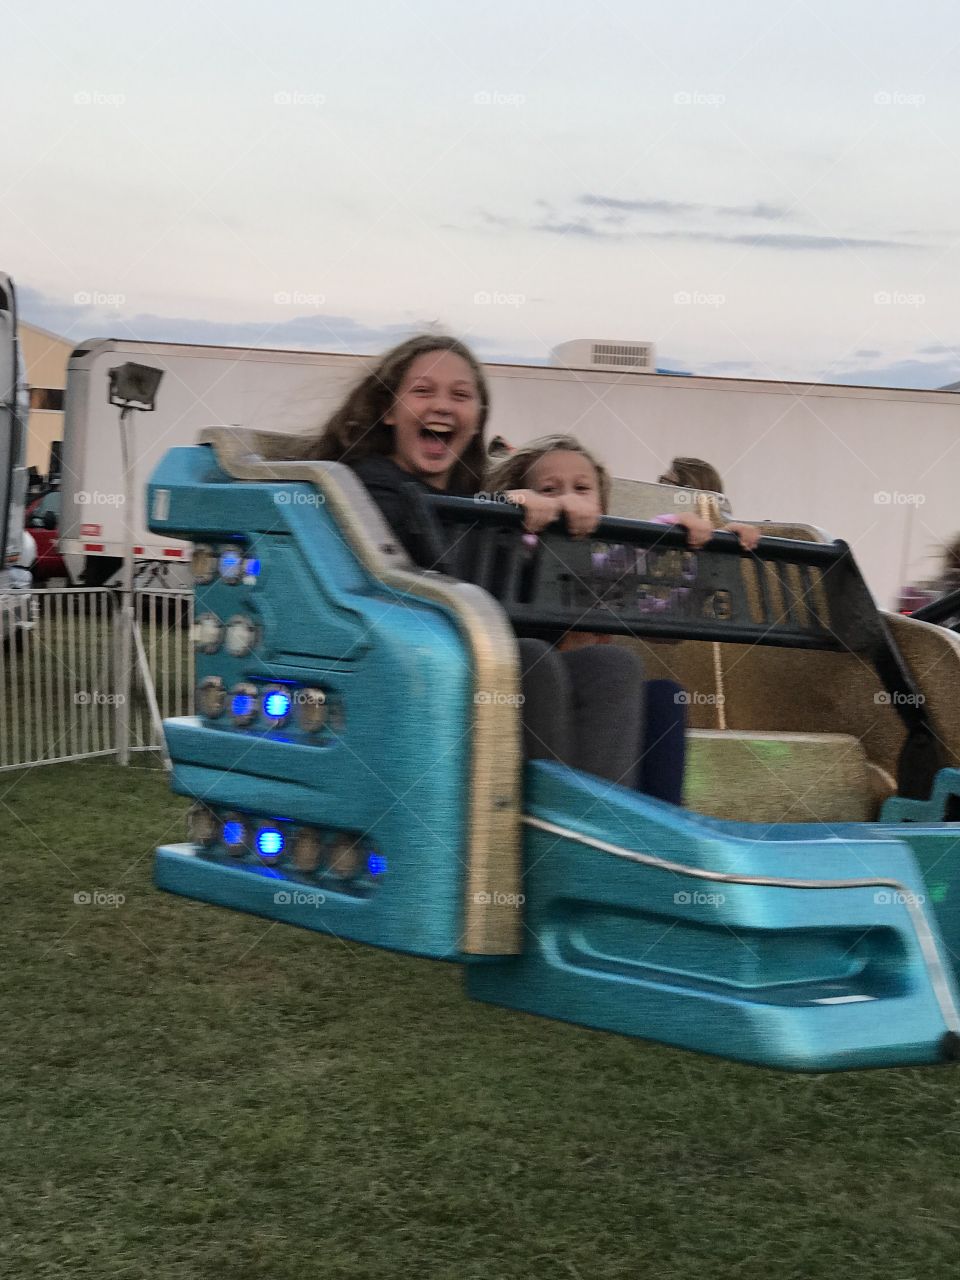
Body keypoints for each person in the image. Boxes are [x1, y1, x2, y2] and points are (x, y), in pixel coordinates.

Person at [296, 334, 682, 800]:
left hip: (474, 663)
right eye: (422, 391)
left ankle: (598, 835)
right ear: (390, 410)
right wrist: (498, 509)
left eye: (460, 395)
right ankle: (542, 833)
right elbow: (428, 563)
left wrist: (677, 532)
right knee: (530, 660)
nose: (441, 405)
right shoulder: (367, 487)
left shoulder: (468, 501)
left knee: (612, 665)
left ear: (476, 419)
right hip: (406, 668)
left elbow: (618, 585)